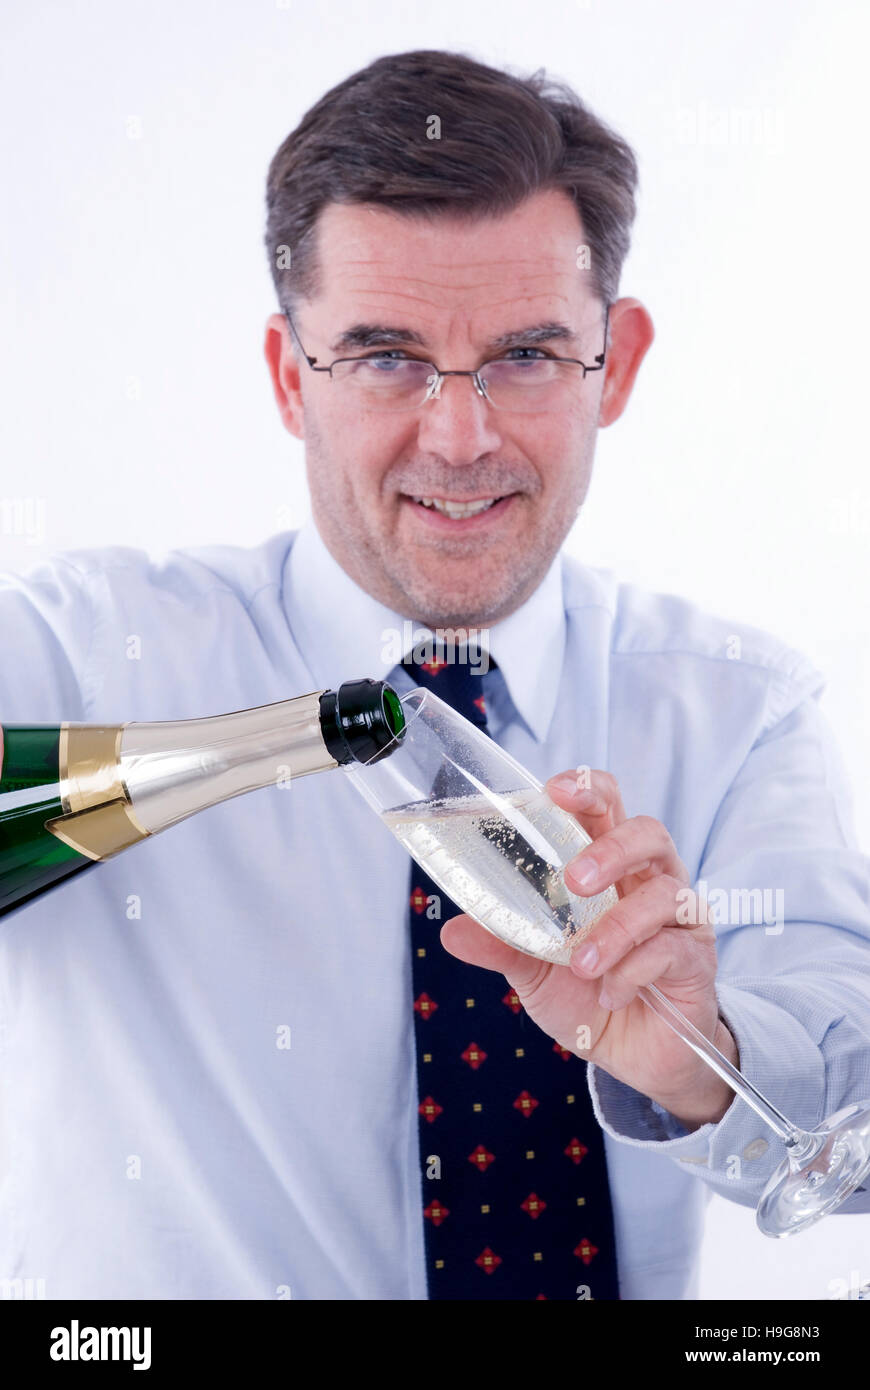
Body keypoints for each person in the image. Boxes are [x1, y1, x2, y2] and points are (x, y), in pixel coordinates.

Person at [1, 47, 868, 1303]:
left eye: (525, 354)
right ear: (288, 378)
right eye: (384, 357)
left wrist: (705, 1053)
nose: (459, 438)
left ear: (614, 365)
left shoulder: (738, 711)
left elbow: (851, 1117)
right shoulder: (79, 657)